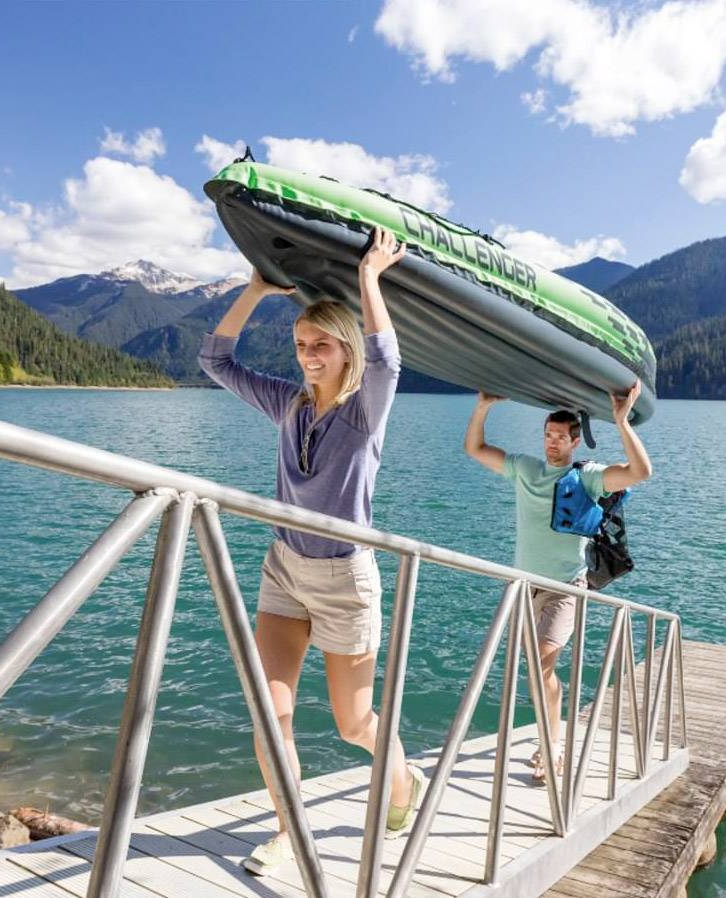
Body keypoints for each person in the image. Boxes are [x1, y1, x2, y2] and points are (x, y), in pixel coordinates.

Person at [198, 227, 423, 874]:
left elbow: (387, 362)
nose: (307, 356)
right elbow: (216, 363)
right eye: (300, 345)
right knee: (272, 716)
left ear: (345, 349)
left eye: (320, 344)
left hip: (345, 579)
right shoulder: (287, 403)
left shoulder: (363, 412)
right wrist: (253, 289)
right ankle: (289, 831)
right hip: (284, 572)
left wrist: (369, 278)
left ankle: (403, 780)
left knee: (354, 725)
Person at [463, 383, 652, 783]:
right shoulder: (526, 469)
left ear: (574, 440)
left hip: (566, 588)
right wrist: (482, 408)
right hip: (523, 588)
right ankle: (552, 735)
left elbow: (640, 472)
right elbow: (475, 449)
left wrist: (621, 422)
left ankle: (553, 749)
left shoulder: (589, 479)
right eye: (547, 436)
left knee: (540, 663)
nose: (552, 444)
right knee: (539, 674)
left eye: (560, 438)